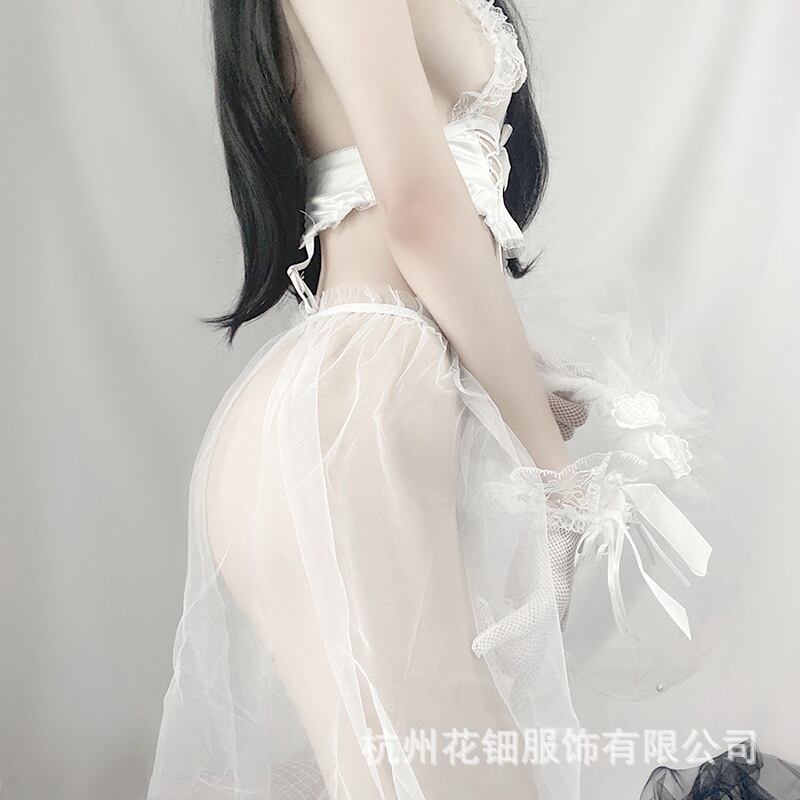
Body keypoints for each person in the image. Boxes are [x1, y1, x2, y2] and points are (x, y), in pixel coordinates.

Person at [146, 2, 723, 798]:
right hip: (348, 425)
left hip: (349, 415)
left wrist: (516, 374)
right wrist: (556, 482)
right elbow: (418, 212)